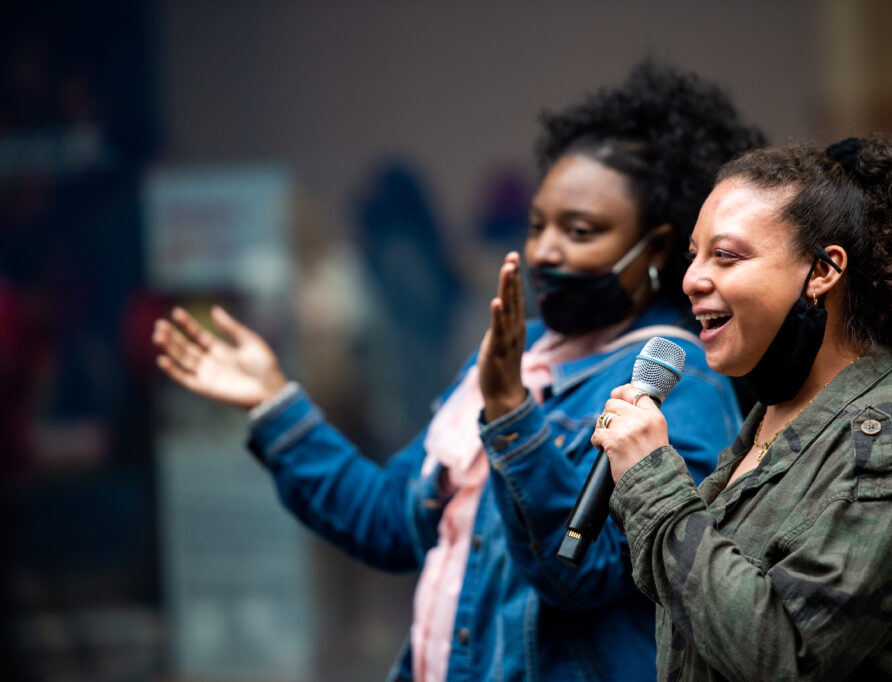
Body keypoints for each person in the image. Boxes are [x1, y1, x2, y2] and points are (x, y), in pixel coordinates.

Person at [152, 61, 764, 681]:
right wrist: (273, 401)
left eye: (580, 231)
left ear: (657, 246)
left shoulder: (679, 387)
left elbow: (579, 570)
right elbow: (389, 520)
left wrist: (513, 420)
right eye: (537, 225)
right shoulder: (512, 356)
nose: (545, 249)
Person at [593, 136, 892, 681]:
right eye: (695, 255)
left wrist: (653, 485)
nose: (692, 279)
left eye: (727, 255)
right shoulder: (773, 412)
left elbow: (784, 655)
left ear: (822, 271)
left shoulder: (886, 439)